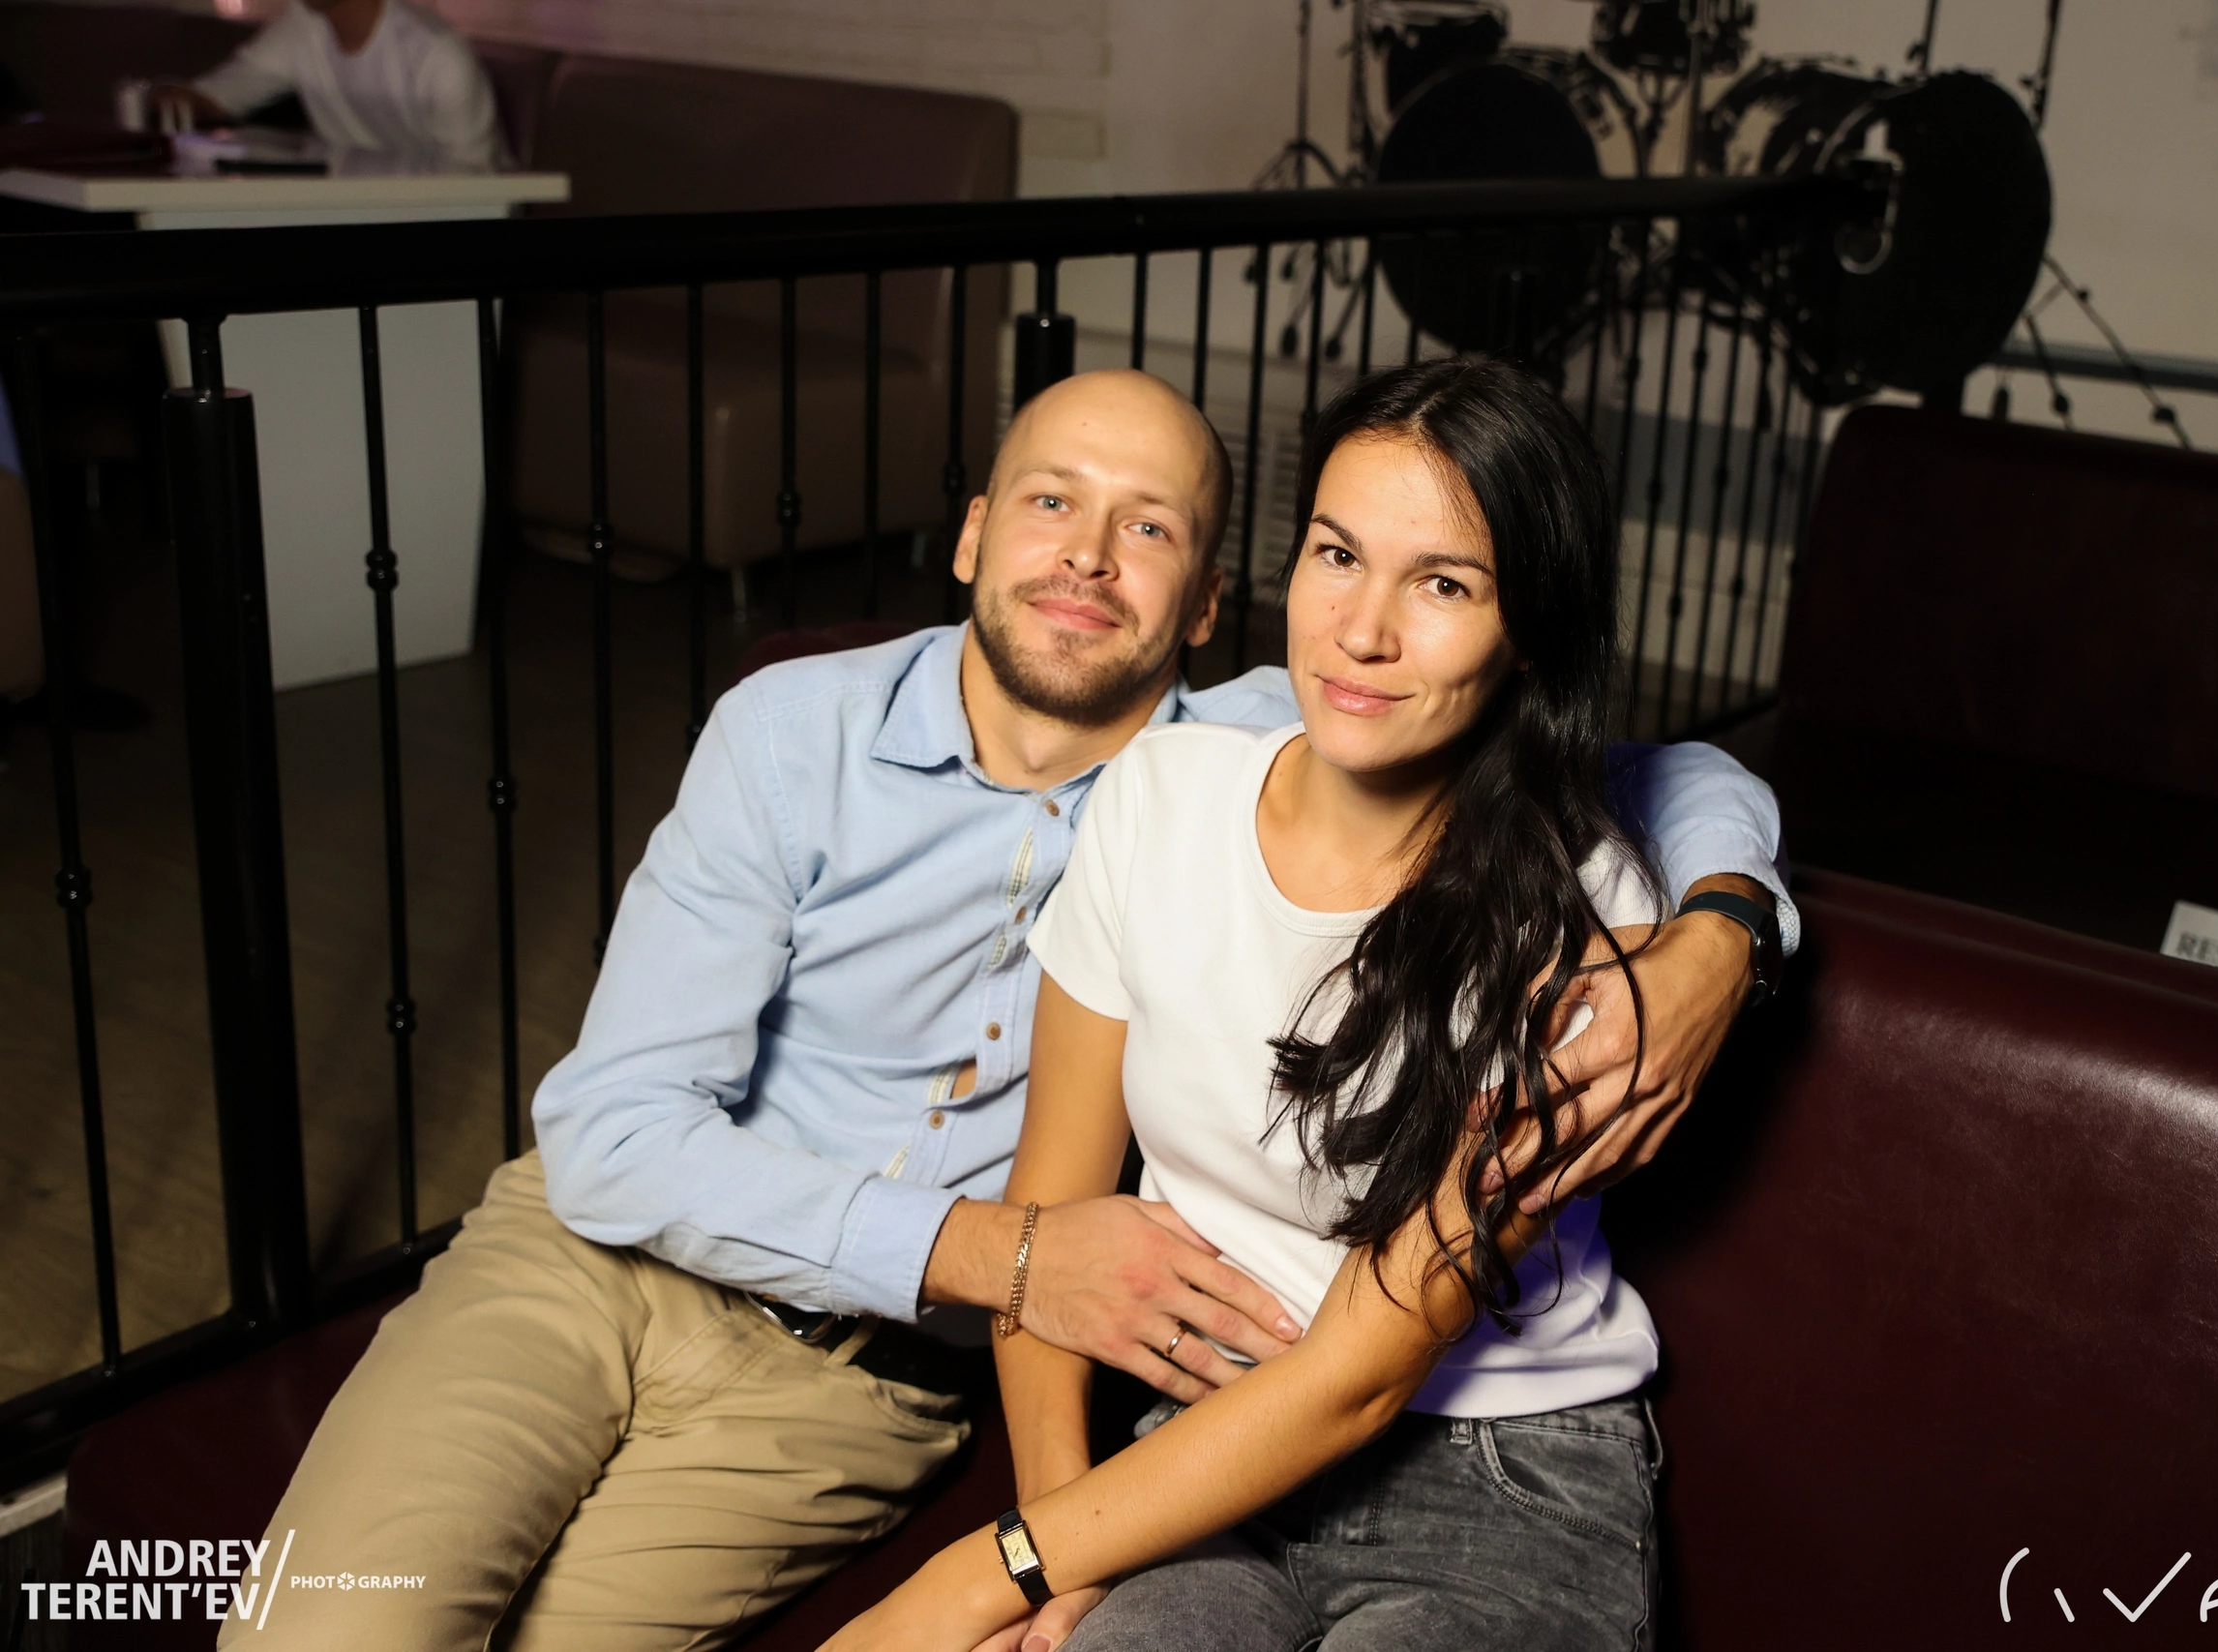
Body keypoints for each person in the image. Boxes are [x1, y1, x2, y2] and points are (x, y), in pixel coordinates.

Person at [228, 369, 1791, 1651]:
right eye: (1050, 500)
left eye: (1148, 525)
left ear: (1208, 604)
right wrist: (1016, 1261)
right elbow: (609, 1132)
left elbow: (1636, 769)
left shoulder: (1285, 734)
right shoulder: (802, 732)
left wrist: (1722, 931)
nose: (1088, 556)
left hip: (867, 1388)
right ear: (971, 534)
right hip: (602, 1266)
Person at [828, 357, 1711, 1652]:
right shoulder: (1158, 797)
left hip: (1500, 1476)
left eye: (1444, 584)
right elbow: (1047, 1221)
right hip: (1196, 1457)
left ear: (1528, 627)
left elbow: (1364, 1369)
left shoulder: (1584, 915)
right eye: (1336, 554)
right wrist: (1059, 1546)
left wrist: (981, 1574)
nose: (1361, 629)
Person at [157, 0, 502, 174]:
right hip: (344, 212)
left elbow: (476, 179)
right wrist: (157, 101)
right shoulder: (302, 26)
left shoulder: (435, 53)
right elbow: (218, 95)